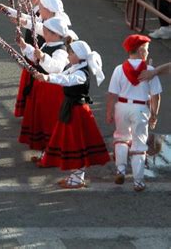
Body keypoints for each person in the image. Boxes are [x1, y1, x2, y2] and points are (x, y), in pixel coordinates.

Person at [34, 40, 110, 188]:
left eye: (71, 53)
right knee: (74, 143)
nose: (68, 55)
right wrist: (45, 75)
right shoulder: (75, 67)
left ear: (79, 55)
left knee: (77, 144)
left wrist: (48, 78)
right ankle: (75, 176)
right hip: (72, 108)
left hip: (77, 111)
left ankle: (77, 178)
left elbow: (67, 80)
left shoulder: (81, 73)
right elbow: (61, 75)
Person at [106, 34, 162, 192]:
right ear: (141, 50)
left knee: (121, 139)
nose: (148, 53)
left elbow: (112, 94)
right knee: (139, 144)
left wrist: (109, 111)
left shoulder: (119, 69)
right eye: (147, 50)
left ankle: (120, 170)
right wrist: (154, 114)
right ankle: (138, 181)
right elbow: (156, 96)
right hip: (140, 109)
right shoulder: (150, 71)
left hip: (122, 107)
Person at [16, 17, 71, 162]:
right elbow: (36, 58)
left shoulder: (61, 50)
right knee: (41, 118)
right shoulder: (48, 43)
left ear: (55, 34)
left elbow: (56, 68)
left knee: (49, 121)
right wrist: (25, 47)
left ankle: (52, 154)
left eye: (46, 31)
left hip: (52, 90)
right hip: (43, 87)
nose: (43, 33)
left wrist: (43, 57)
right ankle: (45, 153)